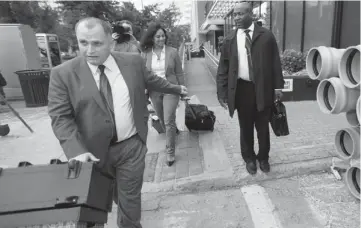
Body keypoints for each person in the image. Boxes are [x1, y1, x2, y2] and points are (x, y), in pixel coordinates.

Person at [47, 17, 187, 228]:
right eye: (83, 43)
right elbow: (60, 117)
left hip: (130, 148)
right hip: (90, 155)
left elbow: (152, 80)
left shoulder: (133, 62)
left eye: (97, 43)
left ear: (111, 42)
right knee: (92, 213)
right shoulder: (62, 75)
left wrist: (177, 89)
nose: (89, 50)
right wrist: (75, 150)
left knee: (130, 205)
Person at [216, 2, 284, 175]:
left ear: (250, 15)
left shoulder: (266, 36)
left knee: (263, 127)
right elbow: (223, 69)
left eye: (240, 14)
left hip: (263, 89)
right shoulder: (230, 39)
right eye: (235, 15)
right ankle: (249, 158)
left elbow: (275, 63)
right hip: (242, 89)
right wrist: (222, 93)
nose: (236, 18)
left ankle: (263, 158)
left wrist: (278, 87)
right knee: (245, 127)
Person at [139, 22, 185, 167]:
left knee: (168, 120)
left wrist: (183, 91)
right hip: (154, 91)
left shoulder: (173, 52)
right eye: (157, 36)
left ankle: (170, 151)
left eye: (162, 36)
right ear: (152, 38)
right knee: (162, 119)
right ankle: (172, 133)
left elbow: (179, 73)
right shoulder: (145, 54)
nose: (160, 39)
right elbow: (142, 74)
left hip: (171, 89)